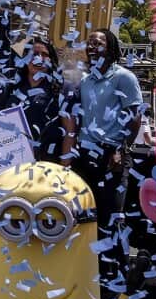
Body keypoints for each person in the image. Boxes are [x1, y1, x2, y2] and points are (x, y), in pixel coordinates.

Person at [61, 28, 144, 284]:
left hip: (113, 153)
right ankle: (92, 273)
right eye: (90, 43)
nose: (93, 46)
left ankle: (117, 275)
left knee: (112, 215)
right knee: (88, 213)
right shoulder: (85, 81)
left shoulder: (124, 77)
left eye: (99, 42)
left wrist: (122, 148)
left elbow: (135, 116)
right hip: (87, 153)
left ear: (110, 47)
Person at [0, 38, 70, 163]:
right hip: (12, 159)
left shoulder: (61, 89)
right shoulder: (10, 86)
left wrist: (65, 164)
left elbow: (69, 130)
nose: (39, 58)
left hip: (47, 160)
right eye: (34, 54)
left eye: (44, 55)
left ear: (51, 60)